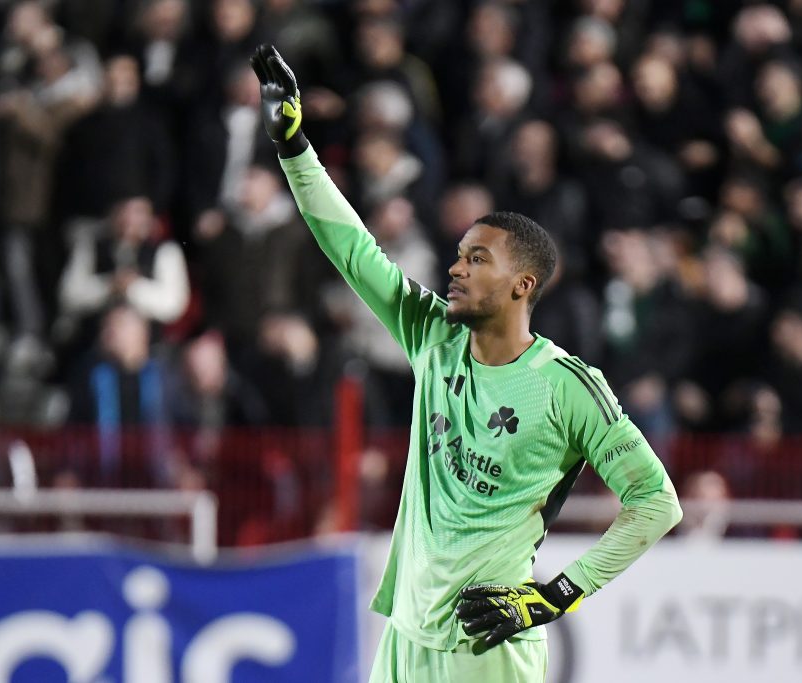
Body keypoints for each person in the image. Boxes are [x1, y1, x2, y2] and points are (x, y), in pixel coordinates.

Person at [251, 44, 682, 681]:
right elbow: (353, 250)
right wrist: (294, 148)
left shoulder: (567, 386)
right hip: (406, 634)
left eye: (478, 259)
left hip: (487, 645)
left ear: (523, 285)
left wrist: (554, 596)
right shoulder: (433, 336)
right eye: (458, 254)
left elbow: (656, 501)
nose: (456, 268)